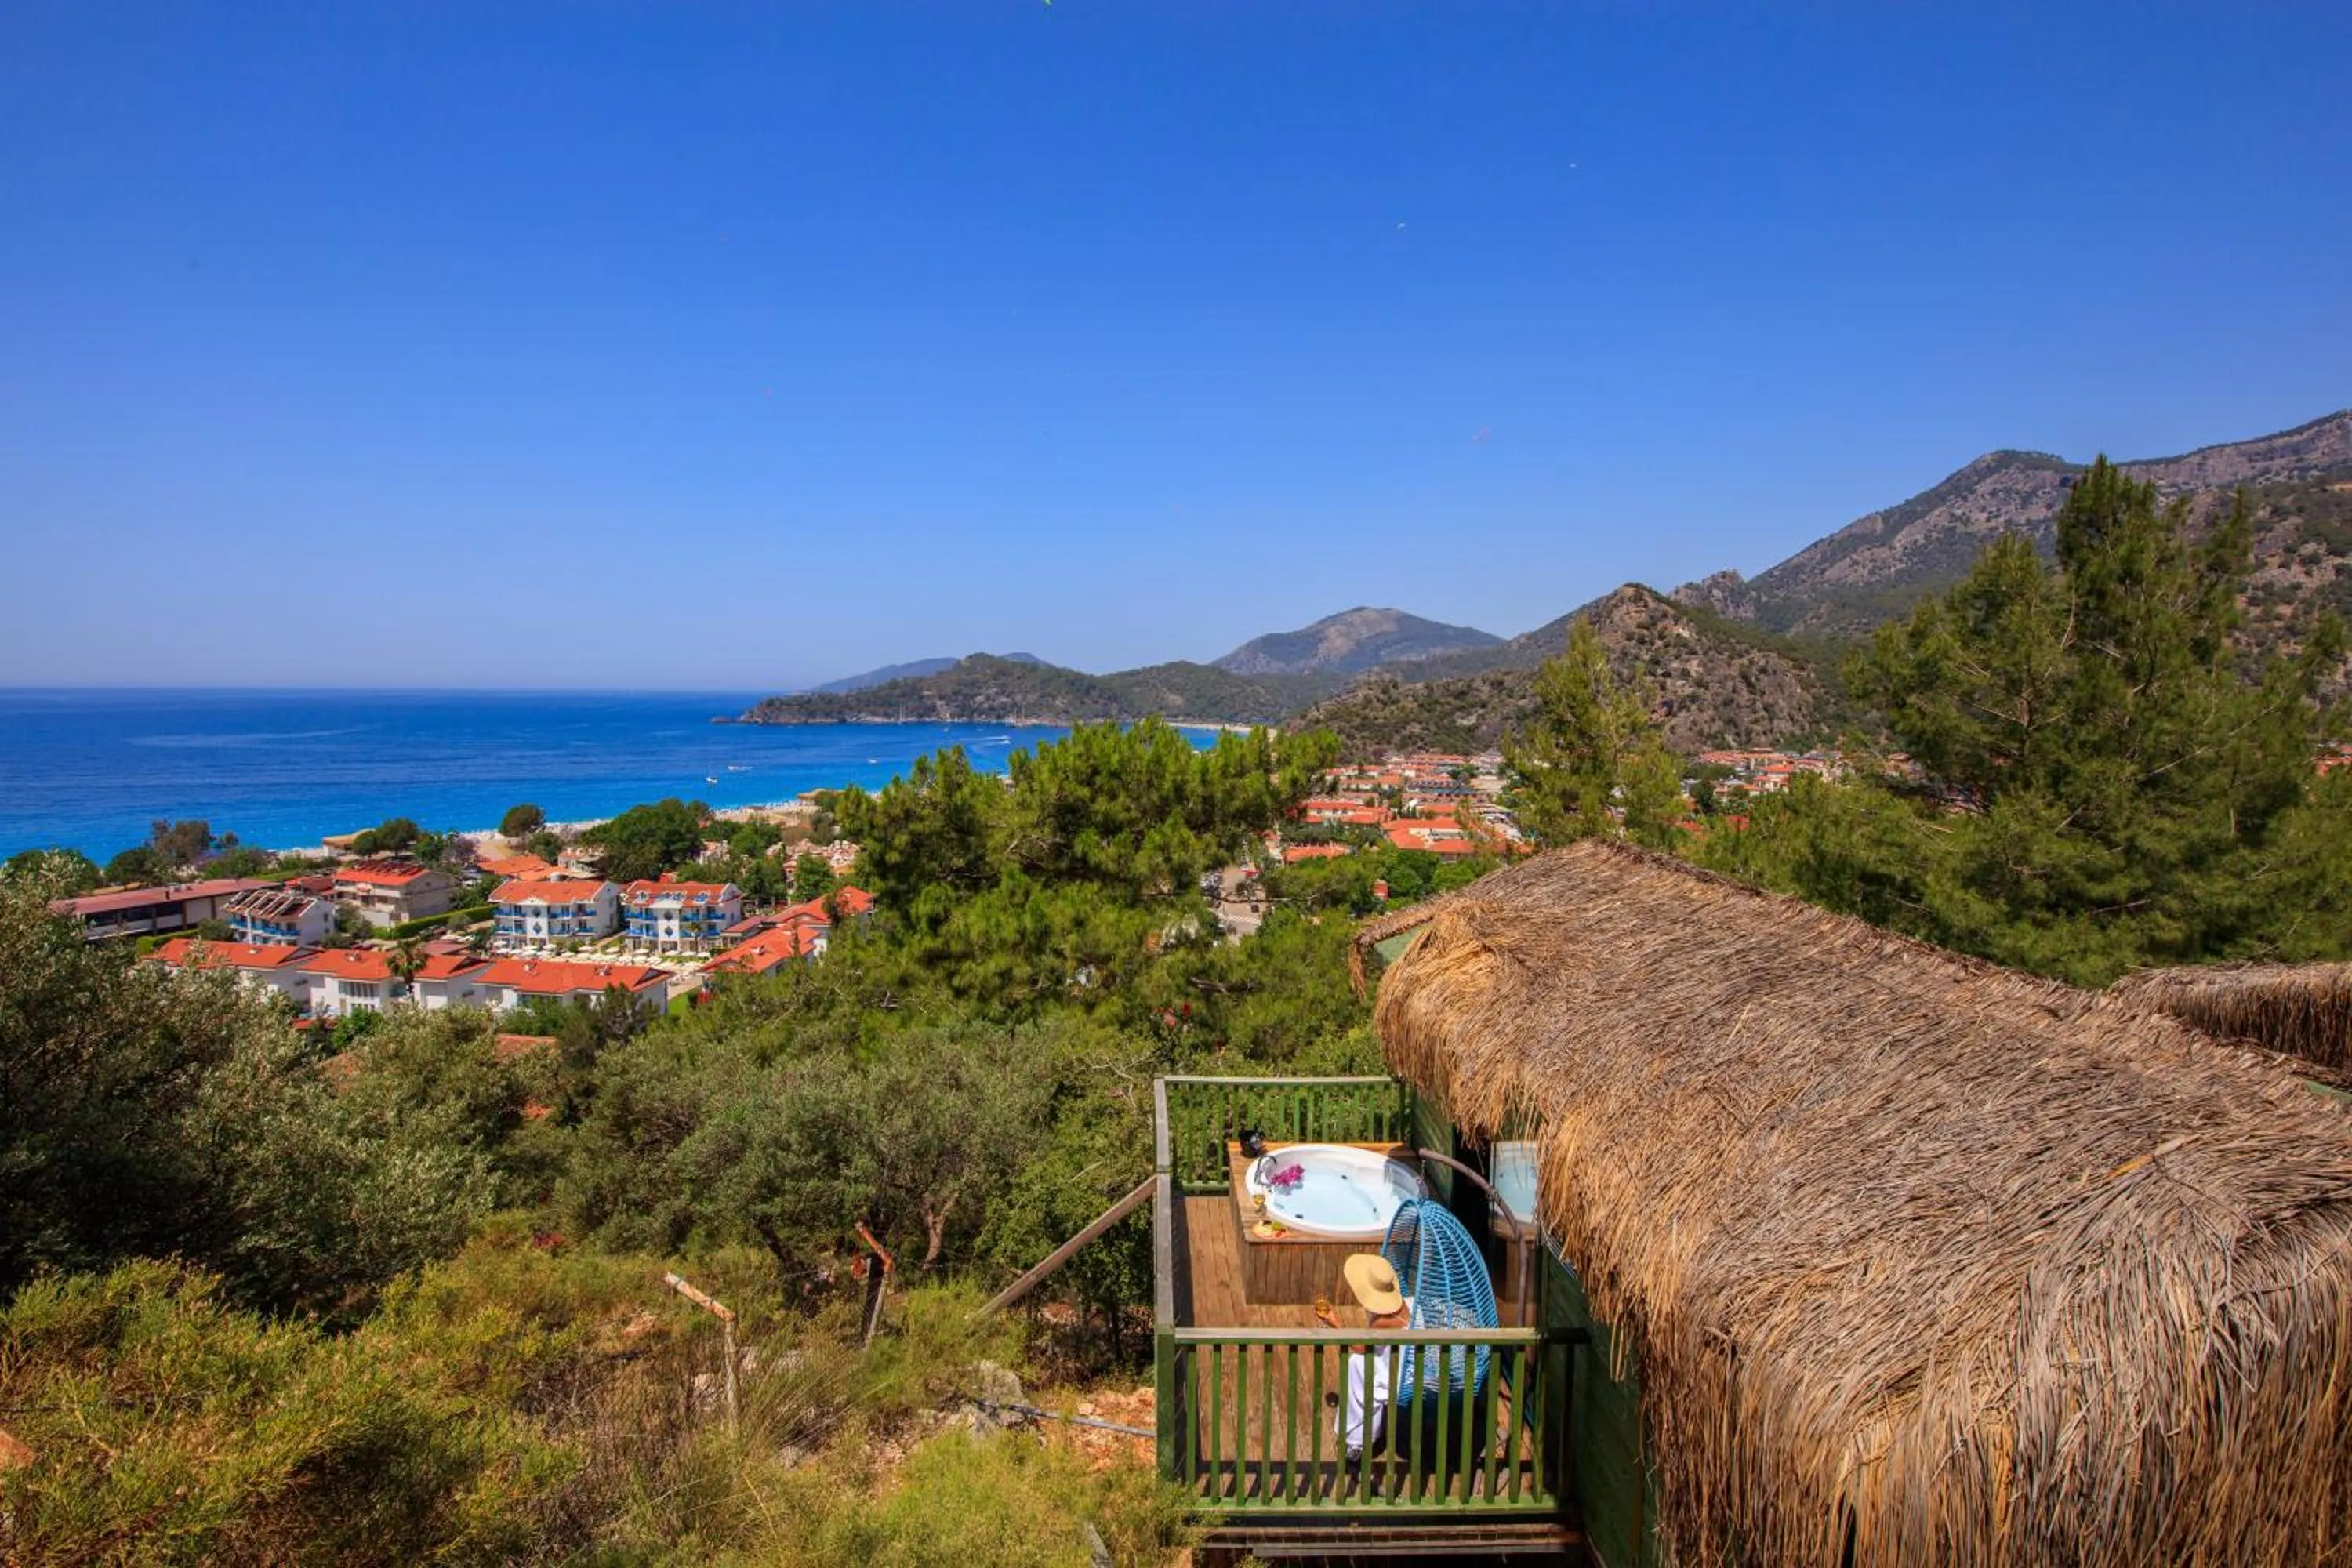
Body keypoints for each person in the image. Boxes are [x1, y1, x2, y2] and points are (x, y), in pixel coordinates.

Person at [1315, 1252, 1411, 1460]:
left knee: (1357, 1365)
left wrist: (1335, 1323)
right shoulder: (1407, 1304)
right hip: (1409, 1362)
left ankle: (1358, 1442)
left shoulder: (1383, 1322)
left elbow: (1360, 1347)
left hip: (1403, 1375)